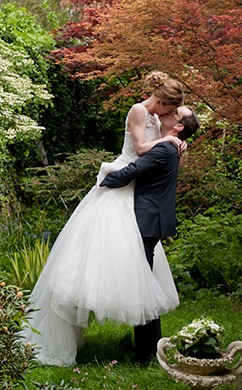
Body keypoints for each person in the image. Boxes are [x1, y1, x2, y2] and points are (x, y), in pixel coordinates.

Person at [20, 71, 187, 366]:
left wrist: (173, 139)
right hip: (120, 184)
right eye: (170, 109)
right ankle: (61, 338)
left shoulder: (155, 119)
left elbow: (154, 150)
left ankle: (144, 345)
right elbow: (138, 150)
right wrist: (169, 142)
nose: (171, 115)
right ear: (159, 101)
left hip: (134, 191)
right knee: (94, 259)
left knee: (133, 264)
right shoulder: (138, 110)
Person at [100, 105, 200, 363]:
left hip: (147, 219)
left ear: (178, 126)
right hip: (150, 218)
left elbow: (132, 172)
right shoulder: (169, 142)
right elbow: (153, 111)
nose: (169, 111)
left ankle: (145, 355)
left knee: (142, 285)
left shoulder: (166, 148)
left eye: (175, 112)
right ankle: (151, 349)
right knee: (144, 281)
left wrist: (105, 178)